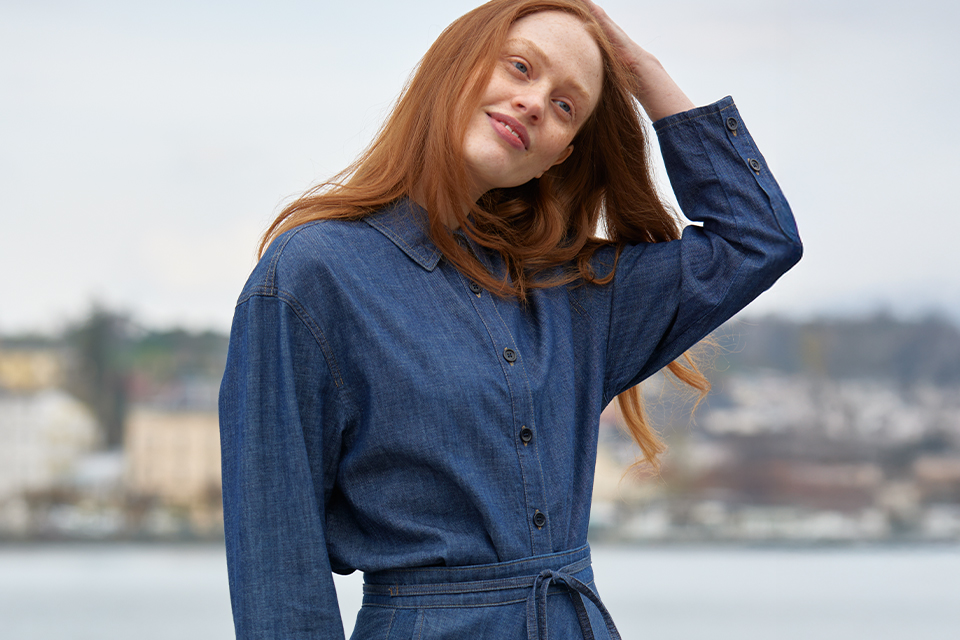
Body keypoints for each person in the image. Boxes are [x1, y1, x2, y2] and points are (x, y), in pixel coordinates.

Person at [218, 0, 802, 638]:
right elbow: (277, 562)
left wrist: (640, 69)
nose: (534, 103)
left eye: (565, 106)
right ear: (456, 65)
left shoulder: (579, 292)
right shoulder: (312, 273)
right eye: (520, 67)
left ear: (559, 155)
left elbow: (757, 238)